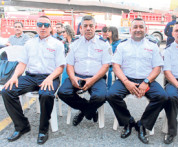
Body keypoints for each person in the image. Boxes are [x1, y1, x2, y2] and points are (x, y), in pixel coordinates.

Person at [1, 15, 66, 145]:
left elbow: (60, 67)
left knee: (46, 94)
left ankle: (43, 130)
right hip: (31, 77)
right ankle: (22, 126)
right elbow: (22, 64)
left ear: (50, 27)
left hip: (50, 76)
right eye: (40, 24)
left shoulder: (57, 44)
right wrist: (14, 77)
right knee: (7, 91)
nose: (43, 27)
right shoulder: (29, 43)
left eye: (46, 25)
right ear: (36, 26)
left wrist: (49, 78)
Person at [106, 18, 168, 144]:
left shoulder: (152, 46)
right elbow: (116, 65)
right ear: (130, 30)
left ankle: (142, 124)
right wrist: (126, 81)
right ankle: (128, 121)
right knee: (111, 95)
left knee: (162, 96)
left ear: (146, 30)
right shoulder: (122, 45)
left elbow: (157, 67)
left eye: (141, 27)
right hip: (126, 78)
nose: (138, 30)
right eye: (135, 27)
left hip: (146, 79)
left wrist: (146, 82)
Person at [57, 16, 111, 126]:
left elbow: (106, 66)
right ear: (81, 28)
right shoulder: (75, 43)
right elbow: (70, 64)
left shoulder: (104, 44)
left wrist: (92, 80)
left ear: (95, 27)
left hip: (97, 77)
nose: (88, 28)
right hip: (77, 75)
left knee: (101, 96)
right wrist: (72, 78)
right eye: (85, 26)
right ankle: (89, 110)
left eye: (91, 26)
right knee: (63, 92)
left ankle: (83, 113)